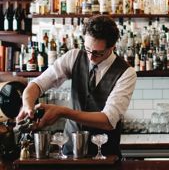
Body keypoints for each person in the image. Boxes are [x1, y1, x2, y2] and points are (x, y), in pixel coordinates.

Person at [16, 15, 137, 157]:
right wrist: (27, 105)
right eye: (87, 49)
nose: (91, 57)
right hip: (70, 151)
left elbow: (108, 121)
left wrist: (63, 112)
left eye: (98, 53)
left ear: (112, 48)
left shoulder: (126, 73)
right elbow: (37, 84)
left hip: (104, 156)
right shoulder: (73, 57)